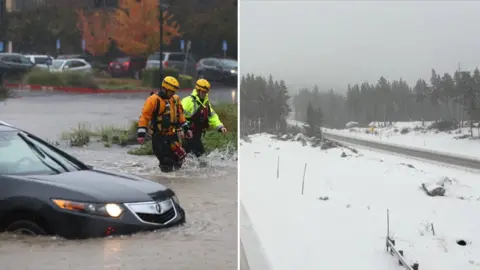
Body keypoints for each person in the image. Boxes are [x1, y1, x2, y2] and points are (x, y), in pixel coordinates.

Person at [137, 76, 192, 173]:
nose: (173, 94)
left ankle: (176, 183)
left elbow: (180, 116)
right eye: (171, 91)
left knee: (179, 159)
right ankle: (164, 183)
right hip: (159, 137)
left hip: (173, 136)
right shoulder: (153, 100)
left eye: (174, 92)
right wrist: (141, 133)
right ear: (165, 88)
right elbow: (145, 117)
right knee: (166, 162)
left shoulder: (175, 99)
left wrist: (186, 129)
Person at [181, 79, 227, 159]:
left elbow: (212, 116)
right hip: (187, 134)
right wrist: (183, 128)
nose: (205, 93)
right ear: (198, 90)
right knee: (201, 157)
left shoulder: (206, 103)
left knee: (192, 157)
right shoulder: (187, 101)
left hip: (197, 134)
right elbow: (178, 115)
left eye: (206, 92)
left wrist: (220, 126)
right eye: (203, 92)